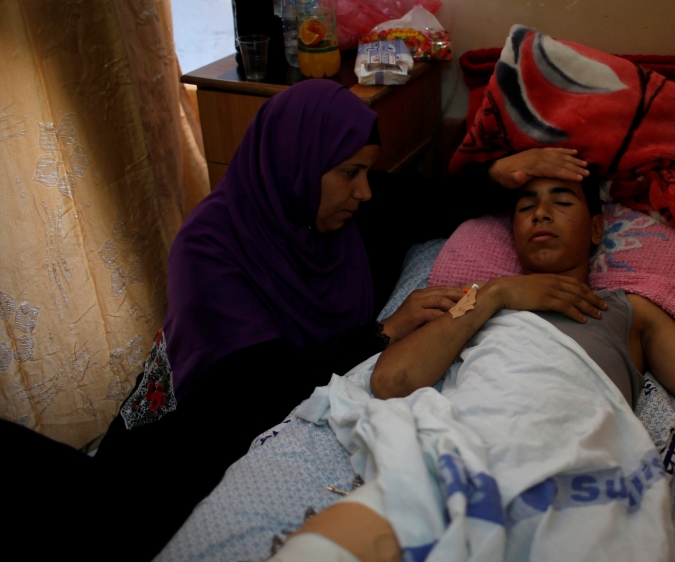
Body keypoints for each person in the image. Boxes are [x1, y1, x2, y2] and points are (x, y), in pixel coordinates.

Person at [2, 80, 589, 561]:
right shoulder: (208, 247)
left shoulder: (351, 215)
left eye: (368, 172)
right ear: (296, 165)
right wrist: (383, 332)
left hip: (250, 416)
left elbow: (433, 203)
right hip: (182, 440)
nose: (364, 192)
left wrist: (506, 174)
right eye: (348, 174)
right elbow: (251, 389)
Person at [272, 174, 675, 562]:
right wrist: (495, 297)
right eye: (526, 206)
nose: (541, 213)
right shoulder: (479, 296)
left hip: (573, 452)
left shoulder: (630, 312)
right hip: (469, 438)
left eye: (561, 201)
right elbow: (392, 381)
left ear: (598, 228)